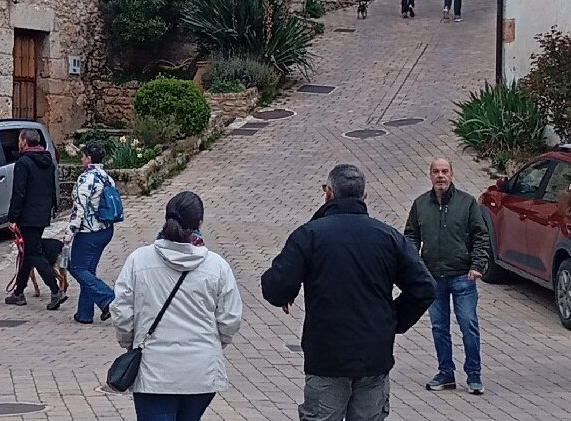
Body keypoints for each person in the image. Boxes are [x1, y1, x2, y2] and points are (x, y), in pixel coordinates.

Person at [261, 164, 435, 421]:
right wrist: (393, 320)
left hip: (327, 357)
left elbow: (275, 287)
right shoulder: (388, 237)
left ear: (328, 193)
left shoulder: (310, 235)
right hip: (374, 355)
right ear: (364, 197)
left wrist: (289, 289)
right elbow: (424, 287)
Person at [110, 191, 242, 421]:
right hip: (201, 371)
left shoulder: (138, 260)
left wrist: (130, 343)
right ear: (200, 222)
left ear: (166, 217)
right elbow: (230, 319)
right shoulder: (217, 266)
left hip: (153, 372)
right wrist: (212, 344)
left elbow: (122, 312)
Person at [404, 158, 490, 395]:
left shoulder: (467, 203)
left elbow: (481, 235)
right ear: (430, 175)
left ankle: (474, 374)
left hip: (463, 276)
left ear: (452, 174)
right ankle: (445, 373)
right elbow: (411, 236)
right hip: (433, 278)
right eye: (436, 171)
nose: (440, 176)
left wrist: (477, 265)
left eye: (444, 171)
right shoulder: (420, 204)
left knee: (468, 325)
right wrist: (415, 265)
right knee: (439, 327)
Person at [5, 128, 67, 310]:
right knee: (28, 253)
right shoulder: (48, 161)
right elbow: (52, 187)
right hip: (42, 214)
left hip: (27, 216)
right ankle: (18, 292)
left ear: (24, 141)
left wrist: (13, 217)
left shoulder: (23, 163)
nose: (18, 143)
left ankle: (55, 290)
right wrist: (52, 207)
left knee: (34, 254)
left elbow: (19, 192)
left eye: (19, 140)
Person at [63, 142, 116, 324]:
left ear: (89, 158)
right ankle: (84, 313)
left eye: (83, 156)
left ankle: (108, 299)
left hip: (88, 232)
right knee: (88, 271)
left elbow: (79, 209)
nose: (81, 159)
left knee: (77, 268)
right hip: (106, 229)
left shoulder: (86, 179)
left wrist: (69, 233)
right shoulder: (107, 177)